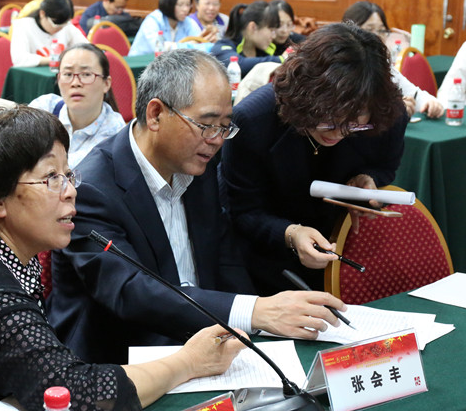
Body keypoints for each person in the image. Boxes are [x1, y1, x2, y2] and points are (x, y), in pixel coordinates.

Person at [0, 106, 245, 411]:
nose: (70, 191)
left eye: (68, 175)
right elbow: (78, 396)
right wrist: (189, 362)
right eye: (51, 178)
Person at [48, 50, 346, 364]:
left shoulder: (197, 165)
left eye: (225, 126)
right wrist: (255, 311)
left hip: (202, 343)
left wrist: (257, 326)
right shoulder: (92, 189)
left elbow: (224, 258)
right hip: (120, 358)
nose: (217, 139)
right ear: (156, 115)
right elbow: (132, 291)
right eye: (206, 125)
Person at [222, 23, 408, 295]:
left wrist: (369, 178)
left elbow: (386, 166)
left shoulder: (387, 115)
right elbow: (240, 210)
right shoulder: (253, 121)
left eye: (354, 125)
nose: (338, 133)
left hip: (345, 248)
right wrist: (290, 234)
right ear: (304, 97)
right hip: (266, 262)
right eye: (328, 122)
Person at [343, 0, 444, 118]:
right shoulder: (340, 66)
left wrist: (430, 103)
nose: (377, 36)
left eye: (381, 30)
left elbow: (415, 94)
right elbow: (352, 111)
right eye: (369, 30)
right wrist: (394, 108)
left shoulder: (381, 64)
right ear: (349, 32)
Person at [28, 44, 124, 167]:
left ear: (106, 84)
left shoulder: (115, 134)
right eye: (68, 74)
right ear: (58, 79)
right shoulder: (45, 107)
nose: (75, 83)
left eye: (86, 74)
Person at [10, 0, 88, 68]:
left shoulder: (67, 26)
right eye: (56, 25)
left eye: (63, 25)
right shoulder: (23, 26)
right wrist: (54, 59)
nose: (60, 29)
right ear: (42, 14)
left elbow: (87, 49)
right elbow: (19, 59)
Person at [211, 0, 282, 77]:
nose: (274, 36)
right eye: (271, 30)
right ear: (253, 27)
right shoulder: (222, 46)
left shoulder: (265, 50)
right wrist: (281, 59)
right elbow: (239, 64)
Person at [128, 0, 200, 56]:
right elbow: (160, 48)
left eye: (188, 5)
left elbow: (200, 45)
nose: (185, 9)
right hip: (140, 62)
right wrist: (187, 45)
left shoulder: (188, 22)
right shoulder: (153, 20)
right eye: (180, 5)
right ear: (169, 4)